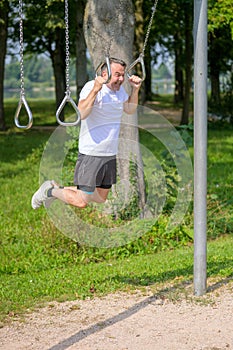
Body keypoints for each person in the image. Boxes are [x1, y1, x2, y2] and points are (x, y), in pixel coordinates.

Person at [31, 57, 142, 210]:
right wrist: (96, 88)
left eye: (123, 75)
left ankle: (55, 188)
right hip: (91, 153)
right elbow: (81, 113)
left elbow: (129, 109)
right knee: (82, 201)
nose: (121, 78)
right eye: (117, 74)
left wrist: (135, 89)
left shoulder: (119, 91)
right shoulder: (91, 87)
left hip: (109, 153)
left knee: (100, 198)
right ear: (105, 74)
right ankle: (49, 191)